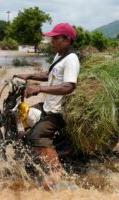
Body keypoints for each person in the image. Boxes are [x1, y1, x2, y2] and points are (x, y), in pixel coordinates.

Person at [16, 23, 80, 189]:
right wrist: (29, 75)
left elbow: (69, 86)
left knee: (36, 136)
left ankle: (56, 172)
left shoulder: (71, 59)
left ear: (66, 39)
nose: (51, 41)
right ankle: (30, 160)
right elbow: (49, 75)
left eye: (55, 38)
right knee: (20, 117)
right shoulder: (59, 55)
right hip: (48, 106)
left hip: (58, 112)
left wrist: (39, 88)